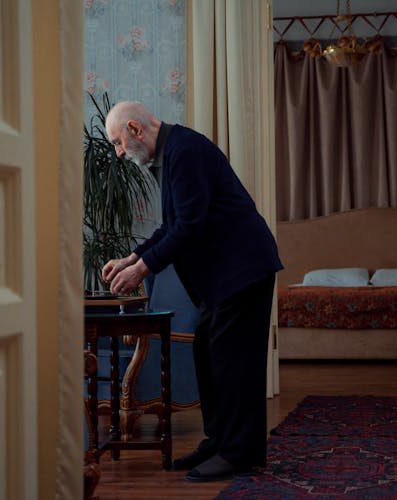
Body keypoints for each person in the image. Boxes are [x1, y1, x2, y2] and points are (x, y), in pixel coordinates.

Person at [101, 101, 283, 482]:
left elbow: (190, 228)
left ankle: (239, 453)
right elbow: (174, 225)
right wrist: (131, 257)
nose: (118, 153)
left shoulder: (185, 151)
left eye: (118, 142)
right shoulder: (172, 153)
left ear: (135, 128)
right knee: (207, 350)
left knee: (234, 364)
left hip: (244, 270)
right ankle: (219, 441)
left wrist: (141, 271)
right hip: (227, 277)